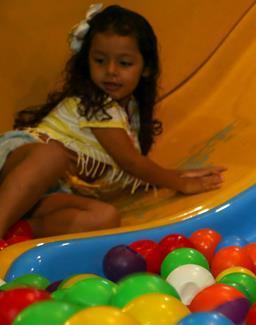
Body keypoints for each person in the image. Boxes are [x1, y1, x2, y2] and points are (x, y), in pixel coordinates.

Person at [0, 4, 224, 239]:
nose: (110, 70)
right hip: (15, 170)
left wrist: (177, 175)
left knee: (106, 217)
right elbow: (131, 162)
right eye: (99, 60)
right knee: (51, 155)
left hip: (41, 194)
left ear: (146, 68)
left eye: (124, 63)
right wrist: (179, 183)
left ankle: (19, 231)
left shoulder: (130, 113)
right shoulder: (95, 104)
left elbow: (135, 171)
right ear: (87, 60)